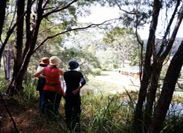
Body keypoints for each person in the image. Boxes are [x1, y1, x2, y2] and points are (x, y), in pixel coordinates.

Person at [64, 60, 86, 131]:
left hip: (68, 93)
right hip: (76, 94)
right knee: (77, 109)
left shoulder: (65, 74)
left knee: (68, 108)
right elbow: (83, 82)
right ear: (76, 67)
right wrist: (77, 89)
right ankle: (76, 125)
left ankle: (67, 124)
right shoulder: (79, 74)